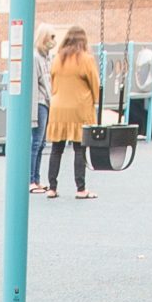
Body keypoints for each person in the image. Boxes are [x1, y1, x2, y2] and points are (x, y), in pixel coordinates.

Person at [43, 27, 100, 200]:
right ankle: (80, 188)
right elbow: (95, 84)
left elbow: (52, 82)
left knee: (56, 149)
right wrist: (94, 101)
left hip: (58, 108)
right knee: (79, 149)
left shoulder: (57, 59)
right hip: (79, 108)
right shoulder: (86, 59)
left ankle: (52, 187)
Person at [27, 28, 57, 192]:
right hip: (39, 102)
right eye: (51, 37)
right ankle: (31, 179)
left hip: (46, 101)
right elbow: (34, 84)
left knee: (42, 143)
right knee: (36, 142)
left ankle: (36, 179)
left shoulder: (47, 58)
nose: (53, 41)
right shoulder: (36, 58)